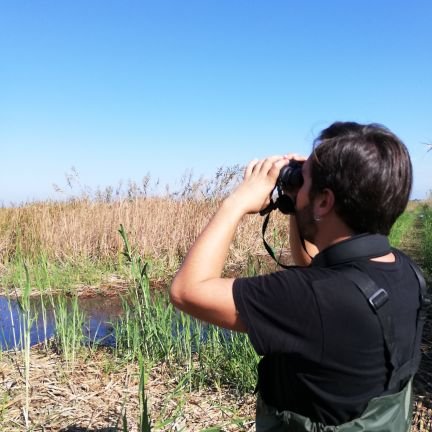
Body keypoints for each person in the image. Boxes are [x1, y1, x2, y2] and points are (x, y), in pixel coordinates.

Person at [169, 121, 427, 431]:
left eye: (303, 181)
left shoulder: (311, 298)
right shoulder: (405, 271)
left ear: (324, 201)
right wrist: (297, 205)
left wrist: (237, 201)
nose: (297, 184)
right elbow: (314, 269)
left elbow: (187, 290)